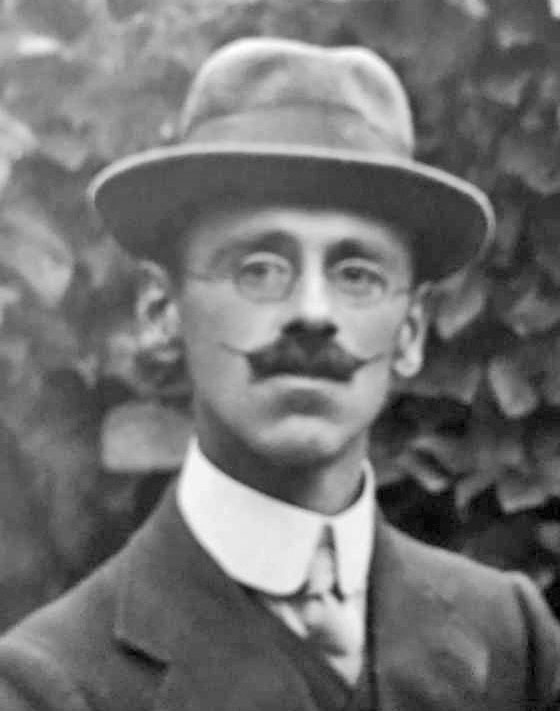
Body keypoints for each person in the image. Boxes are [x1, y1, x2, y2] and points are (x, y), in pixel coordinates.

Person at [1, 37, 559, 711]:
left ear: (410, 331)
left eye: (357, 274)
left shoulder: (510, 639)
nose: (313, 313)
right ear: (162, 310)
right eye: (259, 269)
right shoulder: (50, 681)